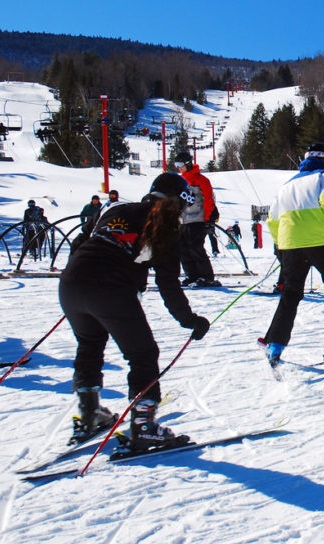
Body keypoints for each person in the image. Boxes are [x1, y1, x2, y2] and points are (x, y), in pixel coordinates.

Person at [59, 173, 210, 449]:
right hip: (110, 287)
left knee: (90, 344)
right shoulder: (166, 225)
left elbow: (81, 242)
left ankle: (90, 414)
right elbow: (168, 283)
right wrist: (189, 320)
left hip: (71, 283)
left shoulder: (117, 209)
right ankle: (143, 426)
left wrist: (81, 285)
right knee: (143, 354)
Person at [260, 143, 324, 363]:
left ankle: (274, 345)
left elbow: (271, 219)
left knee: (291, 294)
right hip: (318, 241)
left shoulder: (286, 185)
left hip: (289, 245)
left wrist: (279, 245)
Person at [173, 150, 220, 288]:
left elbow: (208, 200)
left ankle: (206, 276)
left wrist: (208, 219)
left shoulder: (201, 180)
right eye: (176, 164)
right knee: (183, 248)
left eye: (180, 164)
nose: (178, 167)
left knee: (196, 248)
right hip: (184, 220)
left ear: (188, 163)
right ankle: (192, 275)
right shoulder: (180, 181)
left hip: (198, 219)